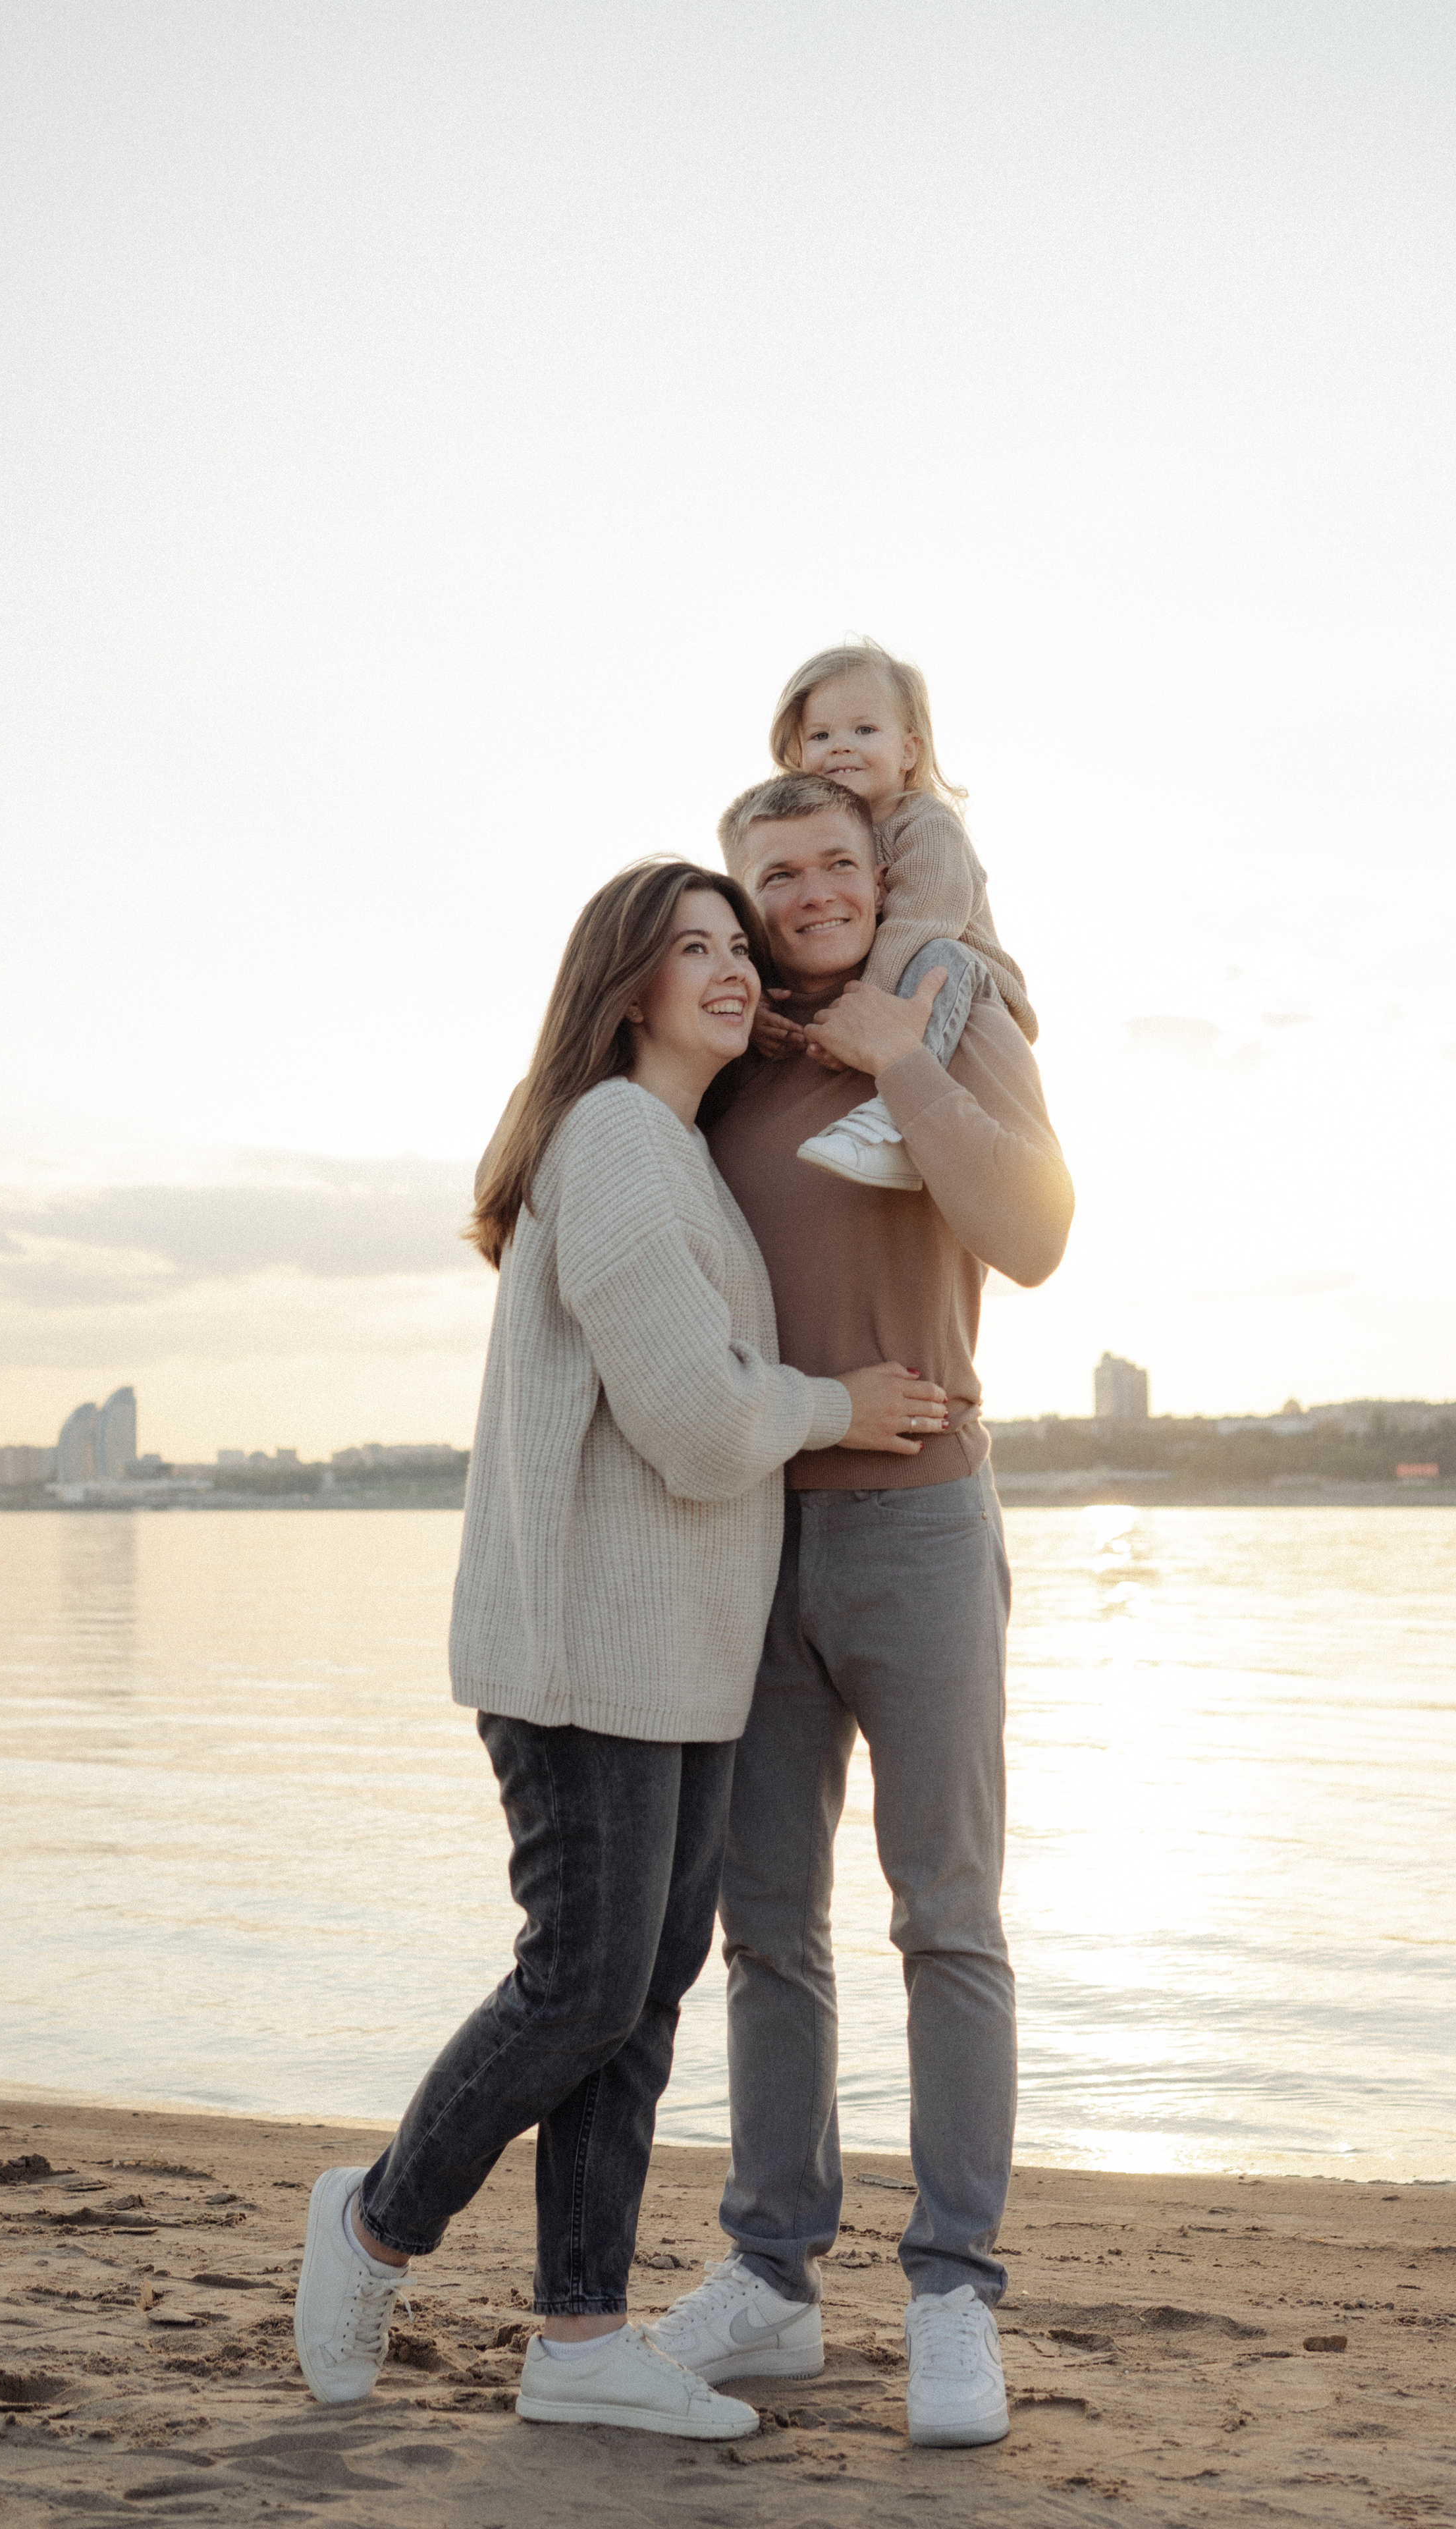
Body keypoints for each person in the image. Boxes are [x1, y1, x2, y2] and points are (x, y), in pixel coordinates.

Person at [292, 856, 950, 2440]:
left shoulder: (677, 1152)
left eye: (739, 946)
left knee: (639, 1995)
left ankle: (581, 2330)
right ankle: (374, 2216)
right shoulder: (613, 1144)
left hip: (678, 1663)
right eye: (693, 948)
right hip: (583, 1657)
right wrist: (832, 1406)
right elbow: (694, 1414)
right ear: (624, 985)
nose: (730, 967)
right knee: (580, 1985)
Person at [645, 776, 1072, 2449]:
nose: (809, 889)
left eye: (836, 861)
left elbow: (1033, 1234)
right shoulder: (726, 1063)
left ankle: (954, 2290)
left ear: (873, 871)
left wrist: (902, 1052)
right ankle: (770, 2278)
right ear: (744, 898)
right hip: (749, 1538)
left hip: (917, 1528)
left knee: (945, 1918)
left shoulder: (952, 1011)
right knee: (766, 1929)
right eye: (777, 872)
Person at [753, 638, 1038, 1192]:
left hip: (964, 983)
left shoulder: (926, 824)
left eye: (864, 731)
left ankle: (891, 1121)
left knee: (939, 953)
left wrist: (864, 1013)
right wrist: (760, 996)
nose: (840, 748)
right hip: (888, 989)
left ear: (909, 751)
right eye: (821, 736)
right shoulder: (820, 837)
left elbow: (917, 923)